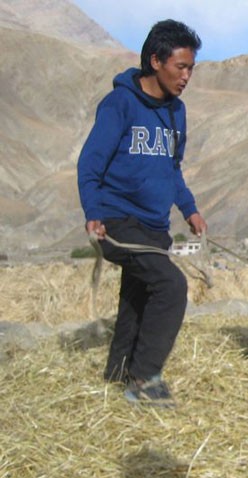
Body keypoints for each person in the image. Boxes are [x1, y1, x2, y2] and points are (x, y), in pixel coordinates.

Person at [77, 19, 207, 407]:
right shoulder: (119, 103)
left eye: (191, 69)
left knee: (138, 297)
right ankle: (145, 379)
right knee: (170, 286)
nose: (186, 77)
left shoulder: (176, 113)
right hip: (117, 219)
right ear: (155, 61)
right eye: (180, 67)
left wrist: (189, 209)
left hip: (154, 225)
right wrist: (93, 211)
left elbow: (172, 168)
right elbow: (89, 163)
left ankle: (119, 373)